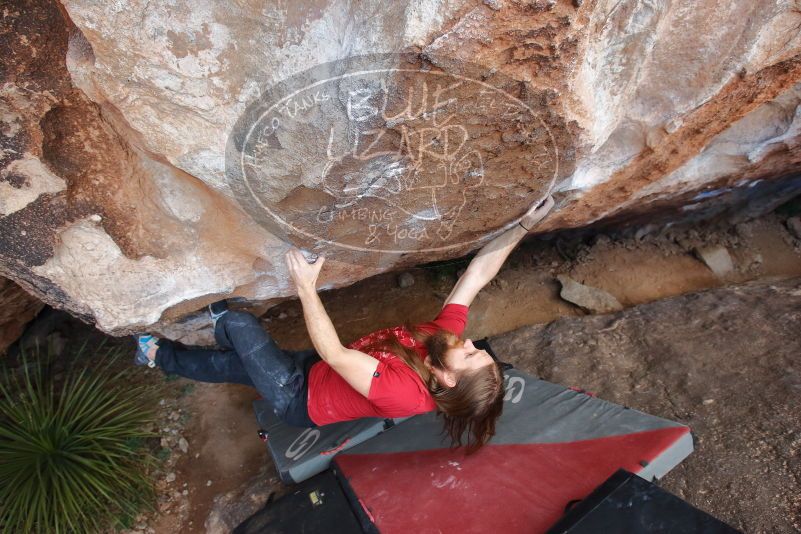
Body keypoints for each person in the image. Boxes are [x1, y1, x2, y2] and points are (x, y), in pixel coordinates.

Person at [135, 195, 555, 452]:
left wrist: (306, 287)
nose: (469, 344)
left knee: (241, 327)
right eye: (477, 349)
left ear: (446, 379)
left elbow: (334, 352)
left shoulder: (404, 392)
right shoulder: (442, 342)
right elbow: (476, 277)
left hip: (296, 395)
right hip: (312, 372)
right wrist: (524, 225)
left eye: (471, 356)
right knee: (231, 366)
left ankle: (202, 322)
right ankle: (159, 356)